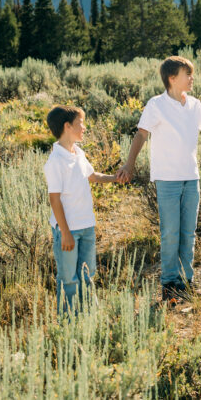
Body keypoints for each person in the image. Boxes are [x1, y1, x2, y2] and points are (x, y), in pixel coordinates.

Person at [117, 56, 201, 304]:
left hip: (191, 179)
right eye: (187, 74)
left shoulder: (194, 104)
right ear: (172, 78)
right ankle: (169, 286)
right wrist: (129, 163)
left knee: (188, 233)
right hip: (167, 180)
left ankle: (186, 282)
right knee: (170, 233)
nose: (192, 78)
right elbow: (141, 135)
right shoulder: (156, 104)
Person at [44, 105, 118, 313]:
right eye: (80, 124)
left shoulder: (78, 153)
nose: (84, 128)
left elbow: (93, 176)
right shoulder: (55, 161)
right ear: (67, 127)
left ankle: (88, 319)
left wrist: (116, 178)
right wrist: (65, 233)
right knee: (69, 279)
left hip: (87, 226)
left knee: (88, 275)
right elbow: (55, 200)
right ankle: (68, 325)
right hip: (68, 231)